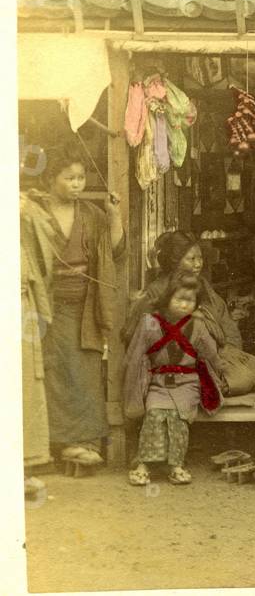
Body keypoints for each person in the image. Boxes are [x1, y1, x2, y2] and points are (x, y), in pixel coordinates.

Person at [31, 146, 125, 469]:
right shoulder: (34, 211)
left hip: (84, 306)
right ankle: (56, 443)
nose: (77, 184)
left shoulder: (90, 214)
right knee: (52, 371)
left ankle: (83, 440)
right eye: (69, 178)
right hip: (45, 304)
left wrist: (114, 216)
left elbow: (114, 252)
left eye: (81, 178)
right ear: (51, 179)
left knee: (84, 373)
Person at [122, 231, 255, 396]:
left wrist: (231, 351)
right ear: (175, 261)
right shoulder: (156, 290)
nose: (198, 264)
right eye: (191, 259)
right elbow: (137, 334)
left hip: (214, 353)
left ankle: (219, 380)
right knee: (241, 379)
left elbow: (223, 318)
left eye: (200, 258)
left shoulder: (201, 284)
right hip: (180, 360)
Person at [123, 272, 223, 485]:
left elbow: (211, 354)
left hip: (187, 384)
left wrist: (219, 374)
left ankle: (176, 466)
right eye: (179, 299)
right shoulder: (150, 322)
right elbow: (136, 353)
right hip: (158, 383)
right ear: (168, 298)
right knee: (154, 414)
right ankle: (143, 465)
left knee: (178, 419)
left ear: (196, 304)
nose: (184, 305)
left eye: (190, 300)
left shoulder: (198, 325)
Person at [21, 192, 57, 497]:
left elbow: (46, 240)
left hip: (19, 302)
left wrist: (29, 212)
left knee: (24, 387)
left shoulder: (23, 205)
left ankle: (21, 470)